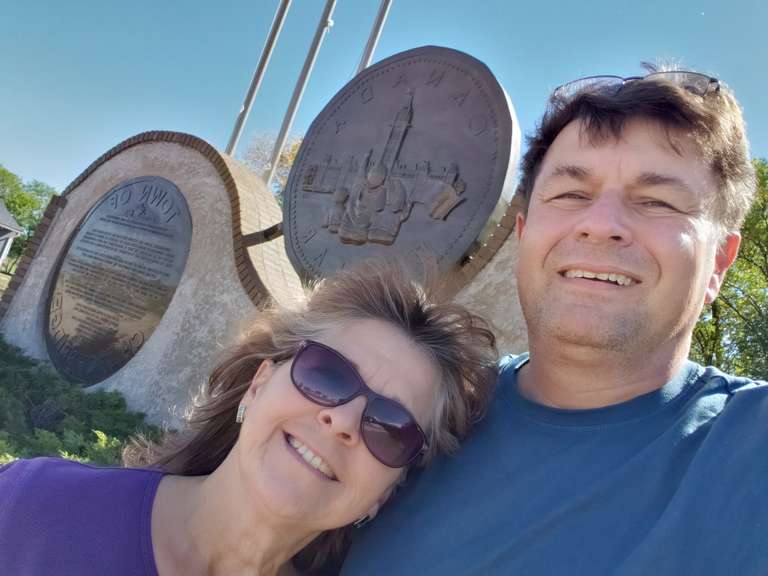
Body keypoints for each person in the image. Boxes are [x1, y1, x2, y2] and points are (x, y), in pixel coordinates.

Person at [341, 67, 768, 575]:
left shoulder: (751, 452)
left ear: (719, 262)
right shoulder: (407, 416)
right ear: (524, 232)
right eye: (570, 194)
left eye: (656, 201)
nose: (601, 225)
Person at [0, 261, 498, 576]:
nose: (343, 421)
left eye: (390, 427)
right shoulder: (31, 509)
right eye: (327, 374)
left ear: (386, 492)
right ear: (258, 386)